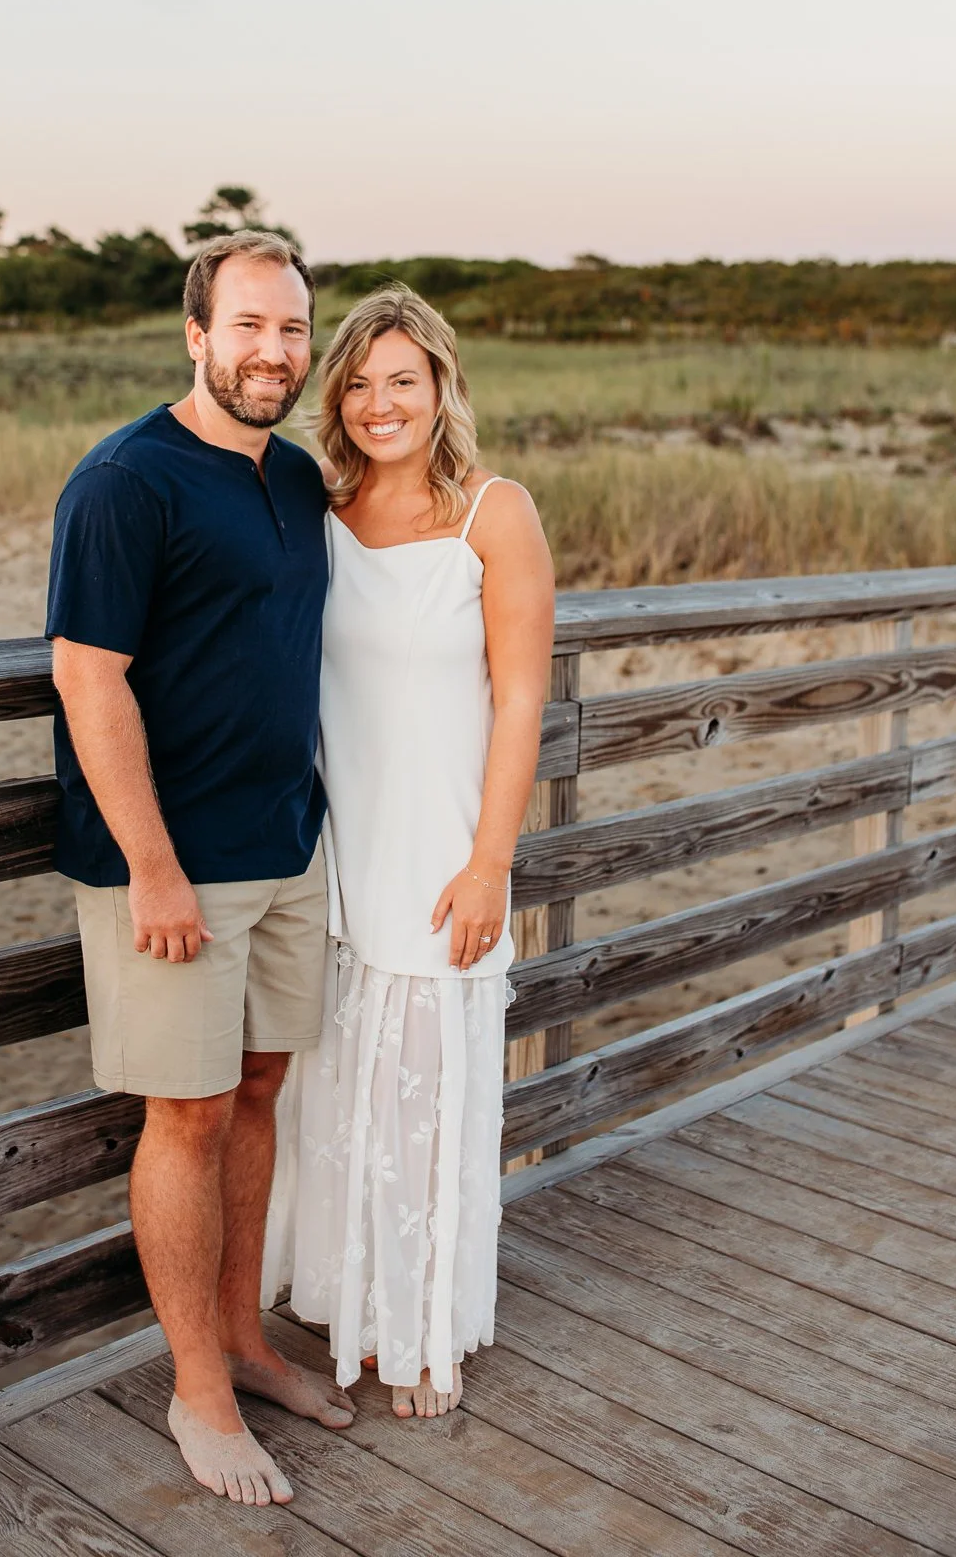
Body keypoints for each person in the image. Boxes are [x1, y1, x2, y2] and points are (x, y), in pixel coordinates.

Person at [47, 230, 355, 1510]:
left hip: (288, 843)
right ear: (196, 334)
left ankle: (244, 1337)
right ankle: (197, 1389)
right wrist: (153, 868)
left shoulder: (294, 478)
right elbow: (87, 673)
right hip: (170, 868)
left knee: (262, 1086)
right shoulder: (126, 479)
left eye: (291, 330)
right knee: (183, 1110)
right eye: (248, 327)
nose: (273, 352)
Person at [280, 284, 555, 1418]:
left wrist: (492, 861)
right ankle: (355, 1304)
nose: (381, 401)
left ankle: (428, 1327)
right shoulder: (317, 510)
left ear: (442, 386)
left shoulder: (497, 512)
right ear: (336, 400)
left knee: (431, 1100)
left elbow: (523, 699)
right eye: (358, 381)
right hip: (338, 858)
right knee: (340, 1093)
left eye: (404, 379)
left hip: (446, 855)